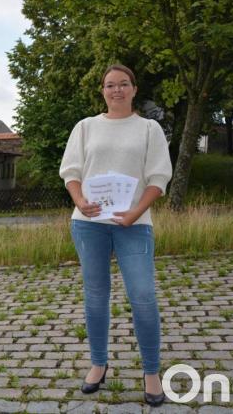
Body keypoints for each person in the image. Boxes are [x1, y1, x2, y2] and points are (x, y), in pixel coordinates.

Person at [59, 64, 172, 407]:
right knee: (95, 296)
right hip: (89, 223)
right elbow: (71, 171)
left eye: (124, 84)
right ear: (102, 90)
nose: (117, 90)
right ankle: (98, 364)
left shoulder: (149, 129)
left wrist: (135, 212)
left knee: (142, 296)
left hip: (134, 224)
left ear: (134, 89)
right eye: (110, 85)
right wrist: (79, 200)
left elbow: (158, 178)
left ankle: (151, 372)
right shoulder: (86, 127)